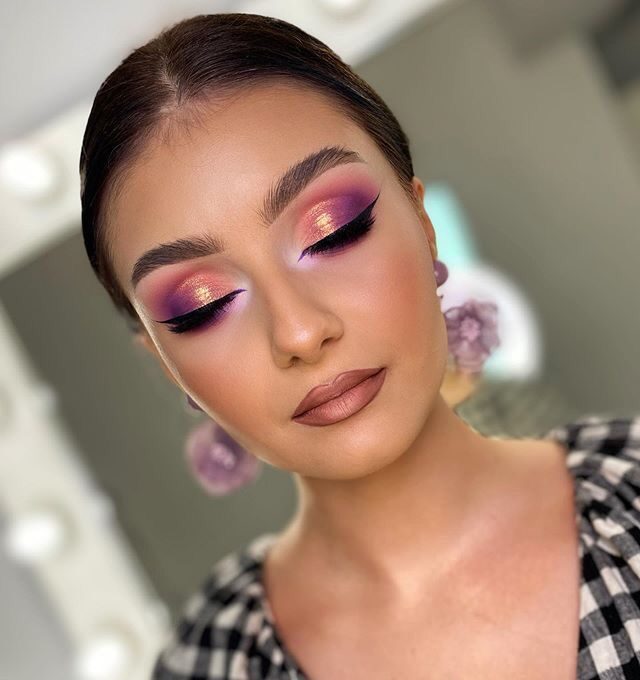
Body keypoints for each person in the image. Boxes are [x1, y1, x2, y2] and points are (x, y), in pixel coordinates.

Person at [79, 12, 640, 680]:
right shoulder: (211, 663)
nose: (298, 332)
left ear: (422, 225)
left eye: (332, 230)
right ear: (166, 366)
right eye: (201, 304)